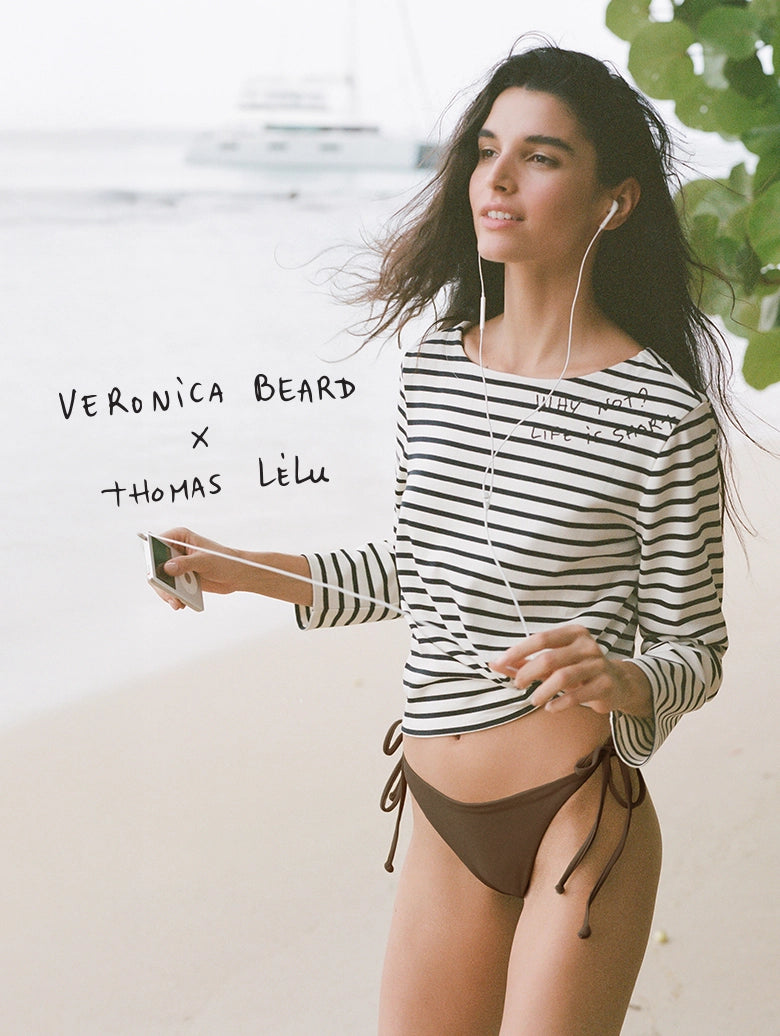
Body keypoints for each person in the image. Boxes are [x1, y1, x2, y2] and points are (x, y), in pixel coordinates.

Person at [154, 45, 734, 1035]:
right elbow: (417, 569)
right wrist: (243, 568)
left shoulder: (661, 416)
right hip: (439, 816)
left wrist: (625, 679)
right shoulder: (435, 368)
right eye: (487, 150)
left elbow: (697, 651)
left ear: (616, 202)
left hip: (576, 813)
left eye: (540, 156)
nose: (497, 179)